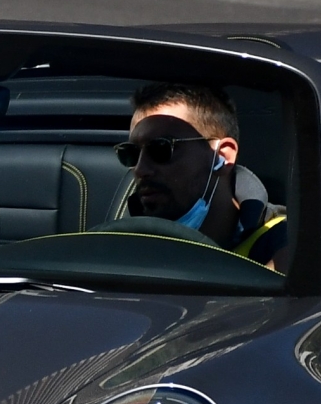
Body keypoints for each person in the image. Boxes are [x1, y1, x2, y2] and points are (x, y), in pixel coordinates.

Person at [119, 82, 289, 269]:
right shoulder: (120, 245)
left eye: (161, 149)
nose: (140, 169)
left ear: (223, 156)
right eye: (131, 153)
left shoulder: (285, 247)